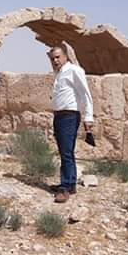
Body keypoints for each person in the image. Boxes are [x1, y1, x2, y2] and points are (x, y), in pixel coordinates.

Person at [48, 45, 94, 203]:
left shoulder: (74, 70)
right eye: (52, 58)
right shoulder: (59, 73)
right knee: (65, 152)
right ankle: (70, 183)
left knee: (66, 152)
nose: (55, 60)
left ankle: (65, 187)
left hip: (69, 116)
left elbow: (85, 94)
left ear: (66, 56)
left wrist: (88, 117)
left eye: (58, 57)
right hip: (59, 116)